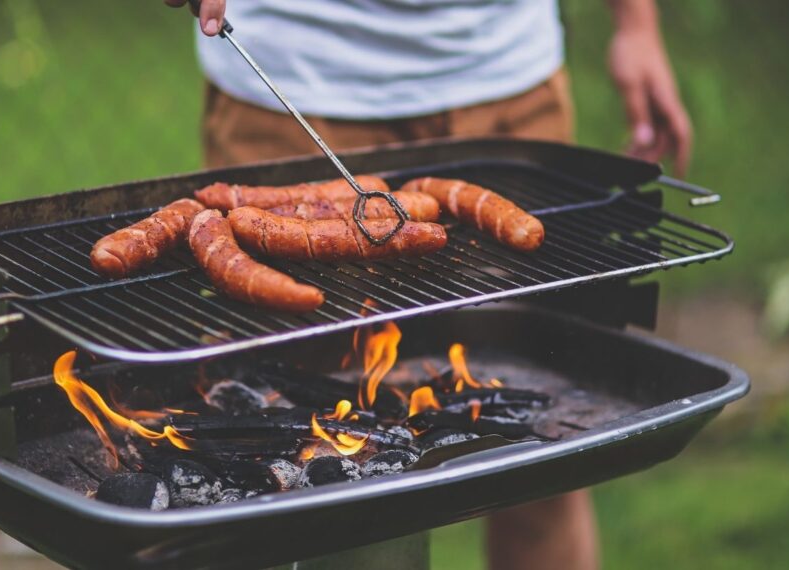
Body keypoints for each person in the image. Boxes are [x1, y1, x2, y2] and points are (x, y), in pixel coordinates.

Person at [166, 1, 692, 568]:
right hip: (293, 83)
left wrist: (636, 25)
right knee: (315, 473)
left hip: (508, 83)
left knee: (543, 458)